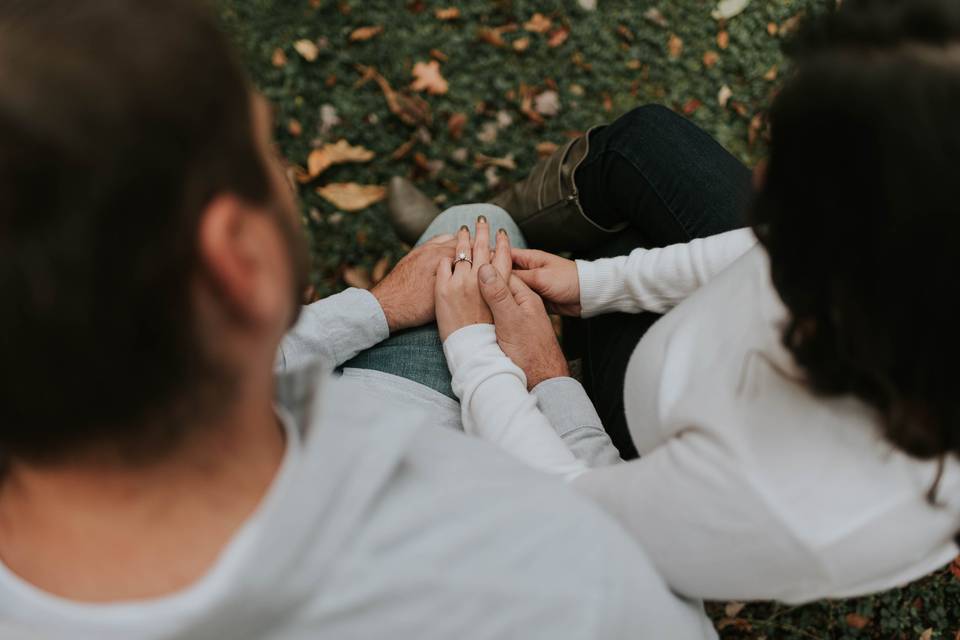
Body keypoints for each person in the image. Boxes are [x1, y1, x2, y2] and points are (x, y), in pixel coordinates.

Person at [0, 2, 717, 639]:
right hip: (485, 441)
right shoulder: (562, 586)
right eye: (268, 149)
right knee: (485, 238)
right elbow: (660, 583)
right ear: (237, 263)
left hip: (342, 394)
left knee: (472, 231)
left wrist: (376, 307)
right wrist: (545, 382)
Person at [388, 0, 960, 604]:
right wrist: (596, 285)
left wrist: (510, 365)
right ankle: (493, 233)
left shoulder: (784, 503)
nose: (758, 178)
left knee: (616, 237)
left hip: (631, 458)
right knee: (644, 145)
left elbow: (586, 514)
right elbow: (755, 248)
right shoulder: (903, 254)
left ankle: (475, 259)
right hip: (733, 347)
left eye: (793, 178)